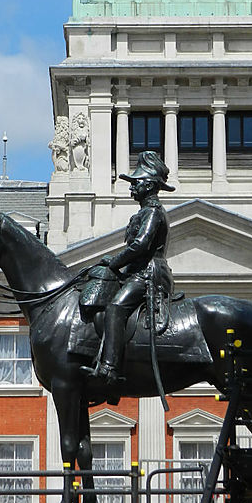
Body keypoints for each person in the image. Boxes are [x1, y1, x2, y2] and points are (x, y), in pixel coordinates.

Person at [82, 151, 175, 386]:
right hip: (138, 271)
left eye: (136, 182)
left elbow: (140, 245)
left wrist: (113, 262)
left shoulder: (153, 212)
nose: (132, 187)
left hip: (148, 273)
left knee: (115, 307)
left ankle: (109, 368)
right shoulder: (144, 212)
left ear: (150, 185)